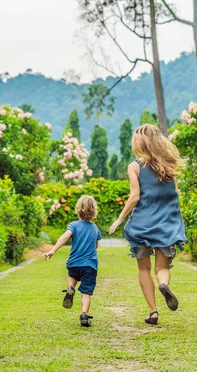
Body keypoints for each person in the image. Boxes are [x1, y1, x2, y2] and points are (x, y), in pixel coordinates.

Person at [109, 124, 187, 325]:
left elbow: (134, 197)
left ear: (138, 142)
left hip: (142, 225)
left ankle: (153, 312)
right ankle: (163, 284)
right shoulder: (169, 166)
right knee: (162, 267)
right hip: (166, 226)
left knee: (143, 269)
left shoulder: (134, 166)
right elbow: (175, 194)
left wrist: (120, 219)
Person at [43, 196, 102, 327]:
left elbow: (65, 237)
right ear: (94, 210)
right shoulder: (95, 228)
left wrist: (53, 250)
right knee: (86, 292)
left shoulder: (73, 225)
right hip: (90, 265)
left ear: (77, 209)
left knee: (72, 276)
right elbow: (96, 246)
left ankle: (71, 288)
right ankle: (84, 315)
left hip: (74, 263)